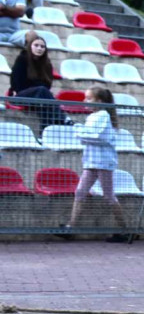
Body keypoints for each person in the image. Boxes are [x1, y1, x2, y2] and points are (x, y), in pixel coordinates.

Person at [63, 86, 129, 242]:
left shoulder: (102, 115)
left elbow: (97, 136)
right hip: (91, 161)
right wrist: (80, 130)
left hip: (103, 162)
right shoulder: (92, 116)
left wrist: (77, 130)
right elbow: (88, 136)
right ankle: (71, 227)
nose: (85, 101)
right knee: (80, 192)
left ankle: (125, 230)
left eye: (89, 98)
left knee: (109, 196)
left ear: (99, 101)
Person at [8, 30, 63, 128]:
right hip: (20, 95)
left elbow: (47, 84)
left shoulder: (47, 64)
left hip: (38, 96)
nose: (39, 48)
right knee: (42, 91)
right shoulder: (22, 59)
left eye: (42, 46)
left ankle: (45, 133)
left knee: (45, 106)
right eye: (36, 45)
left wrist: (37, 88)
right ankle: (63, 118)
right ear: (30, 46)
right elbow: (15, 80)